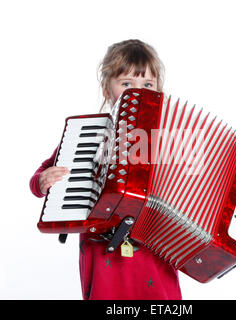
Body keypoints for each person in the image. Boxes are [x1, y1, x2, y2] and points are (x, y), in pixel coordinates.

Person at [30, 39, 182, 300]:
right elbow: (43, 172)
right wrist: (42, 180)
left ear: (158, 89)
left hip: (154, 249)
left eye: (147, 84)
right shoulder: (87, 136)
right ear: (106, 89)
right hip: (103, 252)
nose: (138, 92)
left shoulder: (168, 136)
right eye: (126, 84)